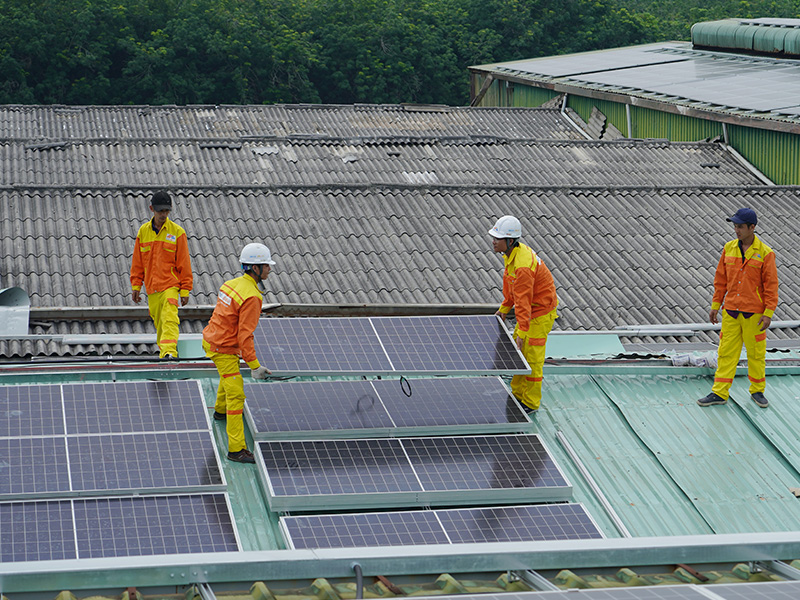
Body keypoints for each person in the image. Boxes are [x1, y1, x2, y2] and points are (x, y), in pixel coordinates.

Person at [698, 207, 779, 409]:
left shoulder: (766, 253)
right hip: (731, 311)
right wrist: (715, 305)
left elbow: (771, 286)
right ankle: (719, 393)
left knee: (756, 354)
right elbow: (721, 280)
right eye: (735, 226)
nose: (736, 230)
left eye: (740, 226)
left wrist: (768, 313)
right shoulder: (729, 248)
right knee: (726, 353)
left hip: (755, 315)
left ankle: (757, 391)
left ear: (752, 227)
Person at [203, 243, 275, 463]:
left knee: (229, 376)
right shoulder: (252, 297)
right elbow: (245, 335)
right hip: (222, 348)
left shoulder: (230, 284)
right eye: (266, 265)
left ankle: (220, 411)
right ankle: (236, 450)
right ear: (255, 268)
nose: (269, 269)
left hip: (212, 339)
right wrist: (254, 366)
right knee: (236, 394)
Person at [489, 215, 558, 412]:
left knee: (531, 358)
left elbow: (523, 301)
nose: (493, 241)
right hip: (528, 312)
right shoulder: (511, 256)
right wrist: (504, 308)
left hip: (540, 313)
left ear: (510, 241)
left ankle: (530, 402)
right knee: (519, 353)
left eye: (498, 238)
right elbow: (512, 289)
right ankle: (518, 394)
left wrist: (523, 331)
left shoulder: (523, 266)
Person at [130, 191, 193, 359]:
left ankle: (170, 352)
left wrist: (185, 290)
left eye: (166, 211)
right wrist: (136, 286)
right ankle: (164, 355)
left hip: (170, 285)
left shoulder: (177, 232)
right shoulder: (143, 232)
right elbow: (137, 262)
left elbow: (184, 263)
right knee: (160, 324)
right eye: (160, 211)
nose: (163, 215)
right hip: (152, 289)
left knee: (169, 318)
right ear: (152, 209)